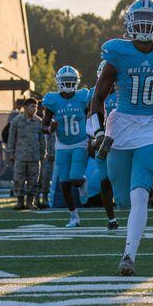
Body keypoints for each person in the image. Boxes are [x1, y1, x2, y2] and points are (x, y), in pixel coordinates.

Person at [90, 0, 153, 275]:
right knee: (123, 198)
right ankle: (145, 197)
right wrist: (98, 130)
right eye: (139, 17)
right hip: (120, 126)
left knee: (140, 191)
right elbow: (98, 95)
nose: (144, 23)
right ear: (129, 22)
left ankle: (129, 254)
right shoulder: (117, 52)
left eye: (149, 18)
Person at [42, 66, 90, 226]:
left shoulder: (83, 97)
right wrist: (50, 128)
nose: (68, 84)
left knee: (75, 178)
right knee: (64, 182)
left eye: (71, 81)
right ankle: (74, 216)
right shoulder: (52, 100)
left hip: (80, 142)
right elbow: (44, 126)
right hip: (62, 144)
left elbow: (92, 115)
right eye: (65, 81)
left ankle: (82, 182)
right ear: (58, 82)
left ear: (76, 82)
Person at [88, 60, 119, 229]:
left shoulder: (125, 90)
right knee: (105, 180)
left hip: (124, 139)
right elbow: (90, 118)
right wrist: (96, 136)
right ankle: (111, 218)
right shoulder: (94, 93)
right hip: (104, 141)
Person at [8, 98, 46, 210]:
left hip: (34, 157)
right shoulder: (17, 121)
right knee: (18, 180)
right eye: (32, 106)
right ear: (25, 107)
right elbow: (11, 138)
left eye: (35, 107)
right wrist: (11, 152)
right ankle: (20, 202)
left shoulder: (39, 121)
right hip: (20, 156)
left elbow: (42, 140)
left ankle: (30, 202)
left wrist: (43, 153)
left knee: (33, 181)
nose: (34, 109)